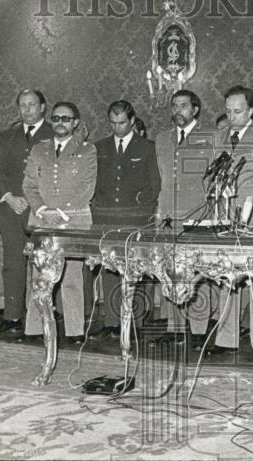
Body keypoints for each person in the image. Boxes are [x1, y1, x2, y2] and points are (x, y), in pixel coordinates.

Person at [210, 85, 253, 358]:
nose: (231, 116)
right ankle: (226, 338)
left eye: (237, 111)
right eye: (228, 111)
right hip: (226, 214)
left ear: (250, 111)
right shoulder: (219, 136)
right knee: (227, 275)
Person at [22, 101, 97, 344]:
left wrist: (61, 213)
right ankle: (35, 329)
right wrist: (44, 210)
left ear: (75, 123)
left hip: (73, 220)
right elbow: (29, 185)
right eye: (56, 118)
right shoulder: (38, 149)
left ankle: (74, 331)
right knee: (39, 275)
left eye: (66, 119)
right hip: (42, 219)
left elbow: (87, 187)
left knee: (71, 276)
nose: (60, 123)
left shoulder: (87, 150)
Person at [92, 100, 160, 337]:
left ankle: (134, 323)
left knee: (135, 271)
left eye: (122, 123)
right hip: (106, 217)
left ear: (131, 121)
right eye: (113, 123)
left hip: (135, 218)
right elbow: (93, 182)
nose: (117, 128)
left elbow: (155, 184)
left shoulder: (147, 148)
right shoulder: (99, 147)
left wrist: (143, 205)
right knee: (110, 270)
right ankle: (112, 322)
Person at [0, 89, 54, 334]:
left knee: (42, 265)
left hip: (43, 210)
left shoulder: (53, 134)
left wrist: (36, 201)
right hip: (11, 209)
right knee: (12, 263)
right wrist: (9, 198)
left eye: (32, 105)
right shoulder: (7, 136)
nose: (27, 110)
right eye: (22, 105)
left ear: (42, 107)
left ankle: (39, 320)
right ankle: (12, 316)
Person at [154, 89, 214, 342]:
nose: (178, 110)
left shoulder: (210, 137)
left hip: (197, 214)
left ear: (195, 109)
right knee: (170, 271)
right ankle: (174, 327)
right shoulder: (162, 138)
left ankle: (199, 329)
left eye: (183, 106)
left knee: (197, 272)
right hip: (168, 215)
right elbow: (161, 177)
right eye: (174, 106)